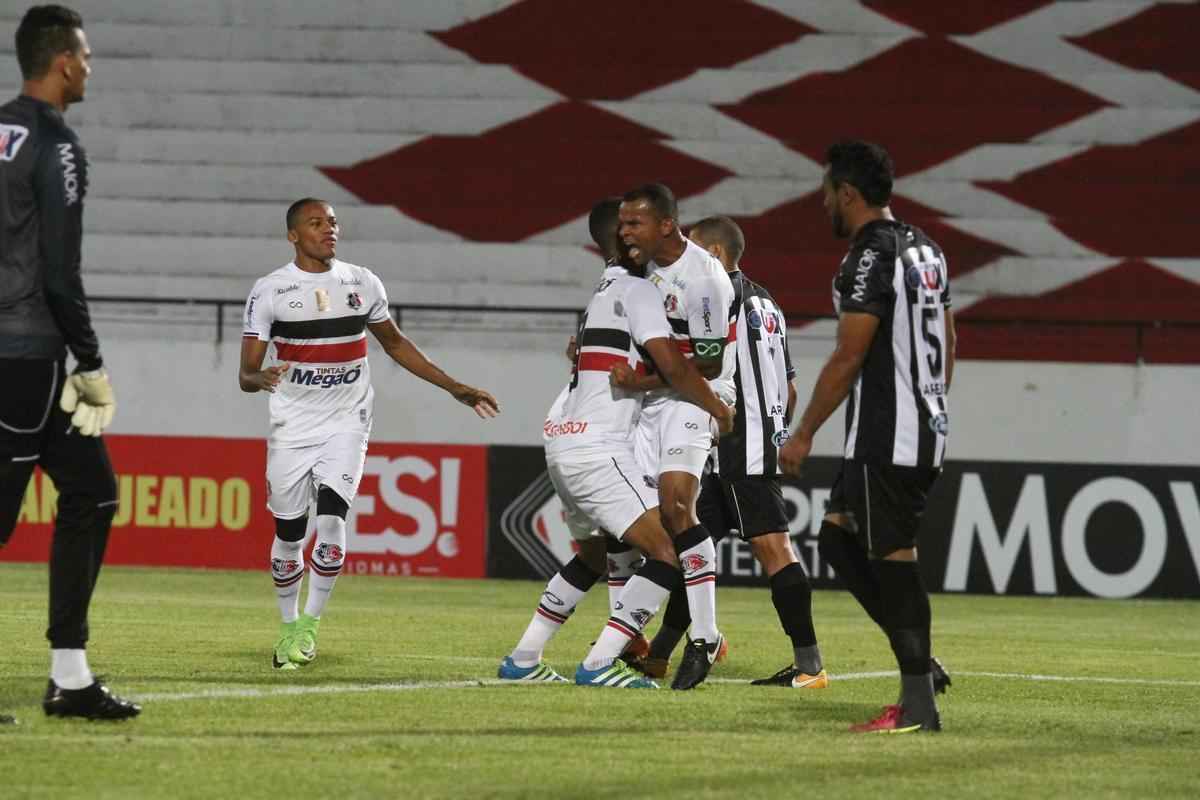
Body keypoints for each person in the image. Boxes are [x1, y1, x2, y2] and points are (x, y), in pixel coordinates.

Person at [240, 198, 499, 670]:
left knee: (334, 521)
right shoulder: (271, 291)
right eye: (316, 224)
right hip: (293, 425)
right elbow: (246, 373)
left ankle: (310, 628)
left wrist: (454, 387)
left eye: (333, 223)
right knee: (290, 531)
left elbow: (396, 344)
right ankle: (287, 623)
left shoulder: (362, 281)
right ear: (293, 236)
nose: (329, 230)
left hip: (348, 418)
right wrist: (259, 379)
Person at [499, 197, 734, 688]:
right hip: (598, 448)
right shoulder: (638, 290)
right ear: (624, 242)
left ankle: (522, 660)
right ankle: (601, 663)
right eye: (628, 229)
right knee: (670, 548)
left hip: (561, 438)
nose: (634, 236)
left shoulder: (600, 294)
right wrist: (717, 408)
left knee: (592, 557)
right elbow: (675, 367)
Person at [779, 140, 956, 733]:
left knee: (894, 558)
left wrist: (802, 435)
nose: (823, 201)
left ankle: (917, 707)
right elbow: (949, 340)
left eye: (827, 191)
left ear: (847, 194)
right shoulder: (926, 249)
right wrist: (933, 403)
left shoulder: (872, 255)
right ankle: (920, 668)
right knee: (837, 538)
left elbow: (848, 354)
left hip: (889, 437)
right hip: (908, 429)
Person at [0, 5, 139, 721]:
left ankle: (72, 676)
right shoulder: (55, 143)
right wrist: (90, 361)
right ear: (62, 63)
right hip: (27, 355)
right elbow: (60, 272)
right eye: (84, 57)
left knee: (93, 491)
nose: (89, 67)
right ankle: (70, 674)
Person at [631, 216, 828, 689]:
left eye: (695, 252)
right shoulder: (769, 303)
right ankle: (660, 653)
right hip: (750, 435)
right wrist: (776, 429)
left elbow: (701, 365)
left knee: (773, 548)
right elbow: (790, 386)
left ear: (716, 255)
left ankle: (810, 667)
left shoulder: (721, 294)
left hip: (736, 437)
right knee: (693, 545)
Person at [612, 184, 737, 690]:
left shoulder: (703, 277)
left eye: (634, 224)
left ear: (666, 224)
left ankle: (703, 635)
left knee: (678, 506)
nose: (625, 234)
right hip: (653, 399)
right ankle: (633, 634)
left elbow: (705, 362)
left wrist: (639, 380)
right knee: (646, 519)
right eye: (622, 225)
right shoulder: (640, 271)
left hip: (698, 395)